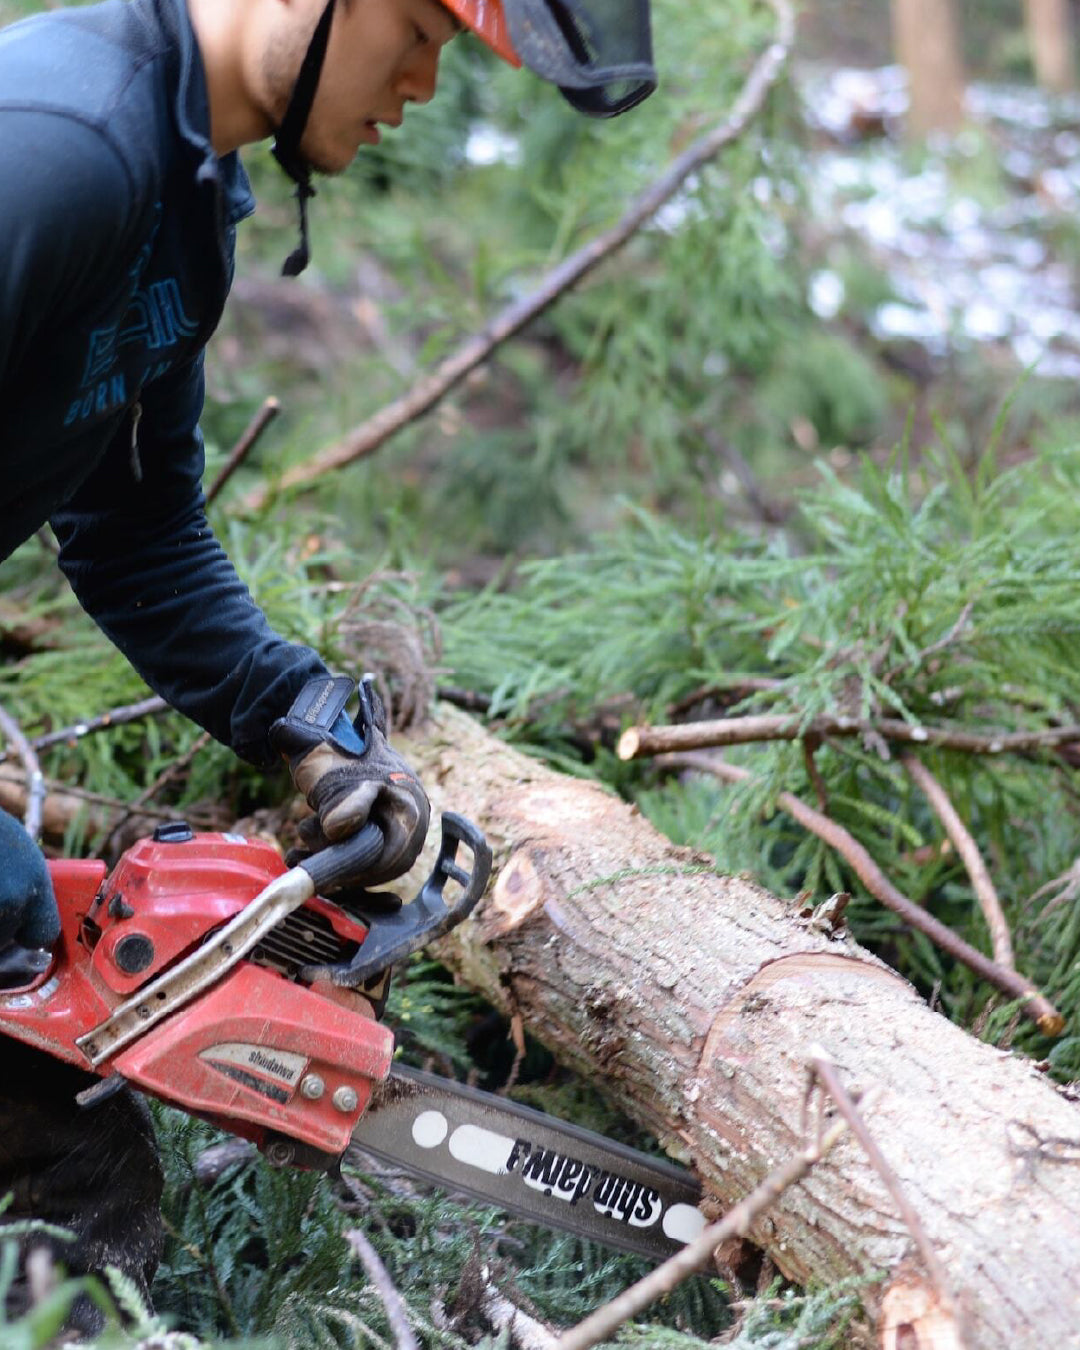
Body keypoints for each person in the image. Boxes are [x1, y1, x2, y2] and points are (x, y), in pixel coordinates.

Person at [0, 0, 655, 1334]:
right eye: (414, 29)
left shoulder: (181, 197)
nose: (419, 82)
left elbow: (135, 534)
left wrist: (311, 726)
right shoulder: (62, 149)